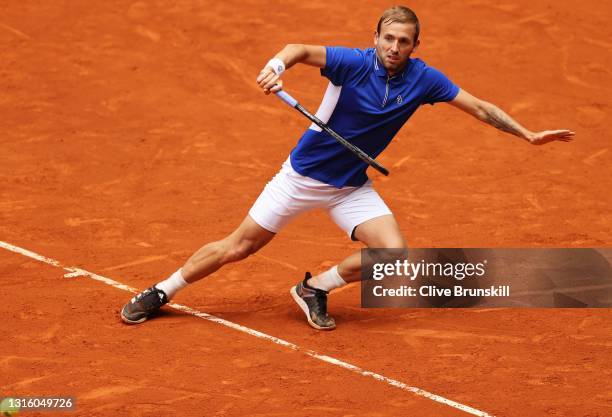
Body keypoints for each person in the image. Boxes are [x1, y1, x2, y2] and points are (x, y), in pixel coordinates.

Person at [120, 6, 574, 330]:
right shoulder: (352, 63)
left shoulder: (425, 79)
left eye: (404, 41)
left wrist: (528, 134)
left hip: (350, 186)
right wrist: (274, 67)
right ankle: (163, 290)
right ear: (375, 37)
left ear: (416, 45)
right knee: (238, 247)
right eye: (388, 38)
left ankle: (314, 288)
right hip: (301, 179)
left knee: (394, 256)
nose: (394, 47)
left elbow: (478, 107)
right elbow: (296, 48)